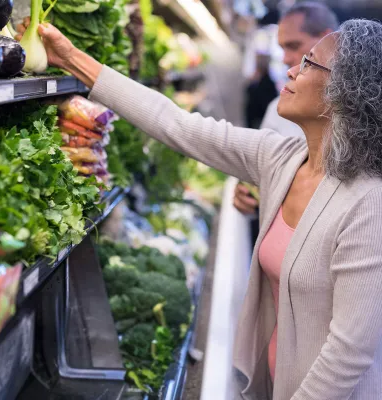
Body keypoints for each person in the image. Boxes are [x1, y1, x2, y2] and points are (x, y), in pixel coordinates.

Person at [19, 17, 382, 399]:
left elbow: (348, 353)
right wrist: (74, 59)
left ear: (346, 91)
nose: (291, 69)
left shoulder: (368, 203)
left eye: (309, 63)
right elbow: (178, 125)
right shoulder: (284, 159)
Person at [234, 1, 339, 216]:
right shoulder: (277, 108)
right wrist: (247, 190)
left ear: (327, 41)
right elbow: (258, 170)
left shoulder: (362, 117)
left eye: (293, 46)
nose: (285, 60)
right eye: (281, 48)